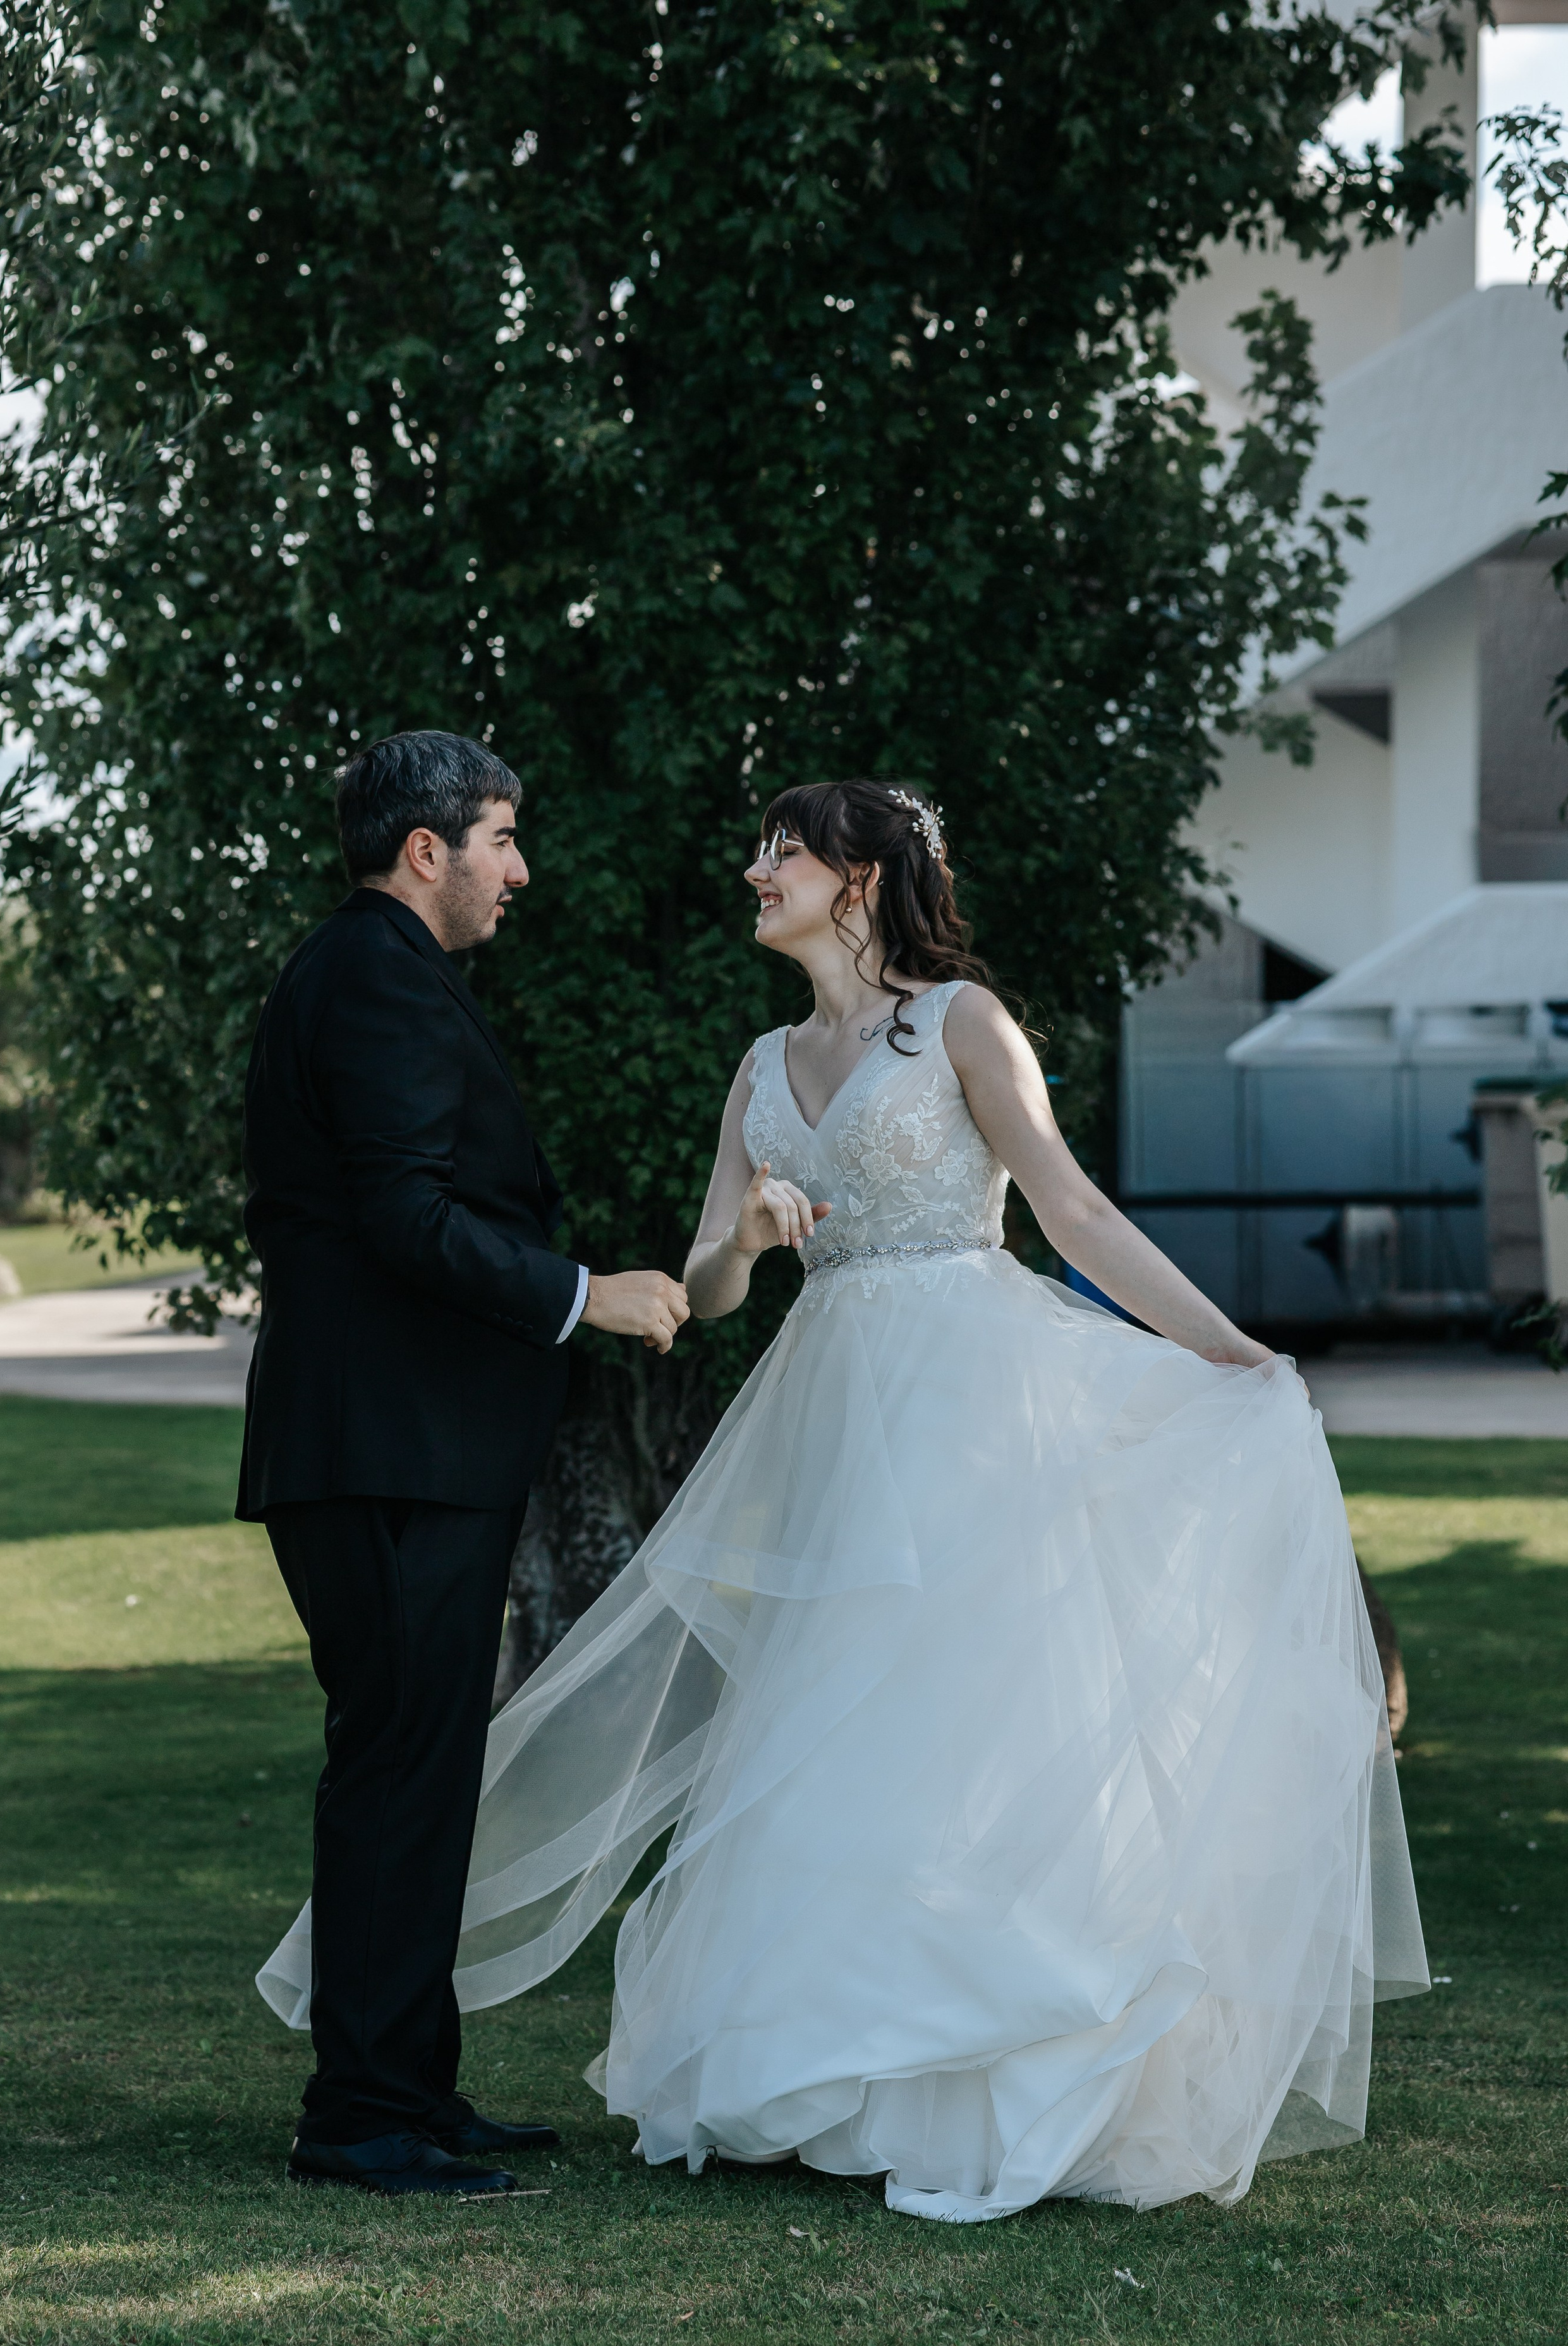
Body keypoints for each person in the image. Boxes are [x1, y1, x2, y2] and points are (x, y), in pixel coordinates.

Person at [258, 774, 1428, 2223]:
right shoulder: (759, 1064)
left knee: (978, 1716)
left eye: (783, 854)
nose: (756, 872)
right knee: (831, 1718)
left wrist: (1227, 1349)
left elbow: (1069, 1209)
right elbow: (705, 1285)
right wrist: (742, 1242)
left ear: (859, 882)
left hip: (971, 1398)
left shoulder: (961, 1026)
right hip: (828, 1408)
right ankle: (826, 2076)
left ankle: (994, 2061)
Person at [242, 730, 688, 2197]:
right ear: (423, 850)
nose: (519, 869)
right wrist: (586, 1295)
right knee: (398, 1767)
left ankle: (406, 2091)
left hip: (398, 1445)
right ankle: (362, 2116)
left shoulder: (373, 972)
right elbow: (405, 1219)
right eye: (500, 838)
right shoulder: (372, 973)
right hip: (390, 1449)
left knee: (418, 1768)